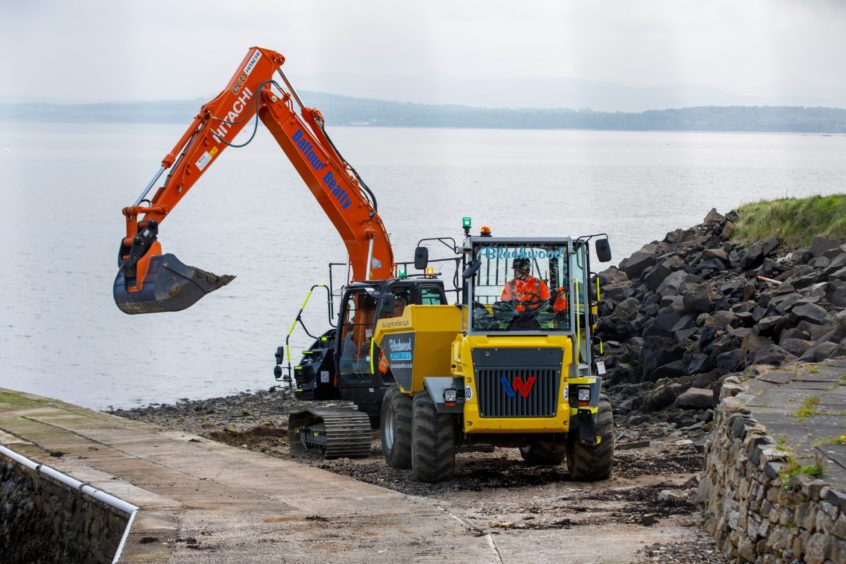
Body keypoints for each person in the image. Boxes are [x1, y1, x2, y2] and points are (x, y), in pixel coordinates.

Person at [500, 258, 566, 314]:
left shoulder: (539, 283)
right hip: (515, 316)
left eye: (520, 270)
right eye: (516, 270)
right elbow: (505, 303)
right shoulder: (510, 285)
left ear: (528, 270)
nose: (517, 272)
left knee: (547, 323)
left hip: (537, 316)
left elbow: (546, 303)